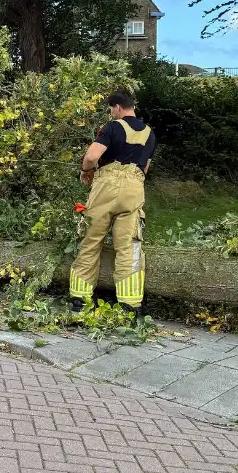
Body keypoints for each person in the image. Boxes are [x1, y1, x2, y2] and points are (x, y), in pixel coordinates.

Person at [70, 89, 157, 315]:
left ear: (117, 107)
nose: (111, 113)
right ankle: (130, 304)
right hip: (134, 187)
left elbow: (91, 156)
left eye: (111, 109)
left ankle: (80, 299)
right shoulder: (149, 133)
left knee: (91, 239)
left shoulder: (112, 127)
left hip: (107, 186)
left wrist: (86, 171)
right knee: (129, 245)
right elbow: (145, 167)